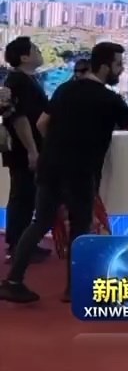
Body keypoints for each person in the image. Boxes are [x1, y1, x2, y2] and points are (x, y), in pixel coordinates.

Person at [0, 42, 128, 304]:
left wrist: (56, 146)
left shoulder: (65, 89)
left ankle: (13, 281)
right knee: (80, 227)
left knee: (40, 222)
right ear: (104, 66)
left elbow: (42, 123)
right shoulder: (109, 99)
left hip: (51, 166)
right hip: (80, 171)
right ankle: (74, 289)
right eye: (118, 64)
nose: (121, 69)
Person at [2, 37, 48, 263]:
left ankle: (23, 244)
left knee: (27, 196)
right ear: (24, 57)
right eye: (35, 49)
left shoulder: (26, 80)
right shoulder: (19, 81)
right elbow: (19, 118)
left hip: (27, 148)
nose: (39, 52)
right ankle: (17, 246)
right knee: (22, 196)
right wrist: (32, 150)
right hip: (23, 150)